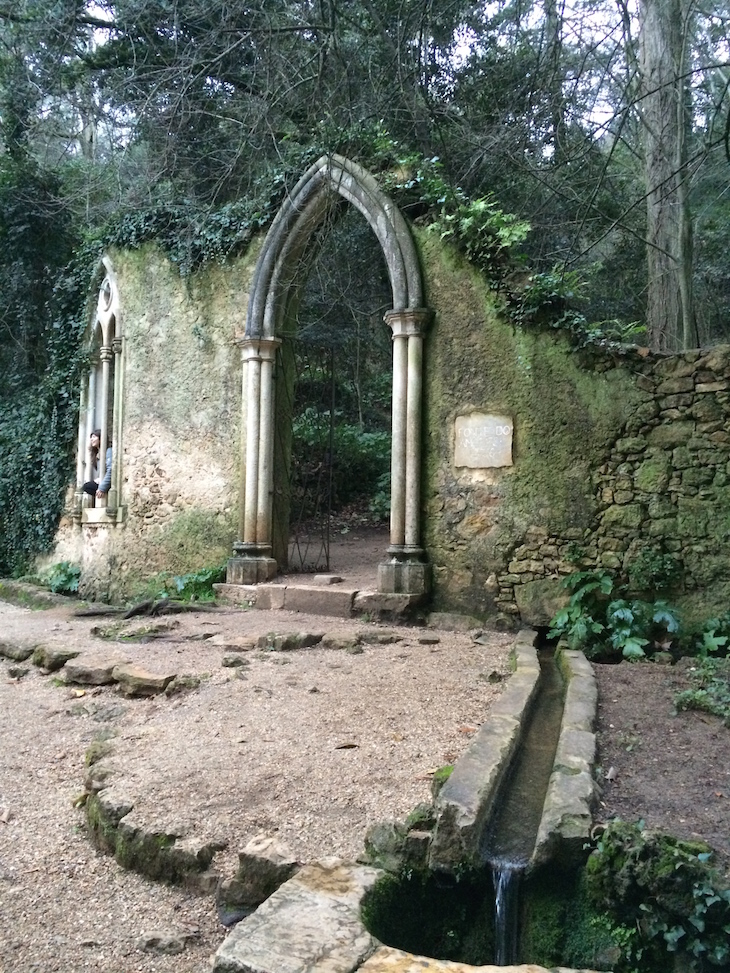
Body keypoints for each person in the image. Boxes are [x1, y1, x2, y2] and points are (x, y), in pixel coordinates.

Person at [82, 429, 113, 499]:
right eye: (91, 437)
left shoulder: (109, 451)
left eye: (94, 437)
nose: (91, 439)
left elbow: (111, 470)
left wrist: (102, 487)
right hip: (102, 481)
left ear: (101, 438)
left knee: (87, 486)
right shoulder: (97, 454)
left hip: (109, 483)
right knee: (87, 487)